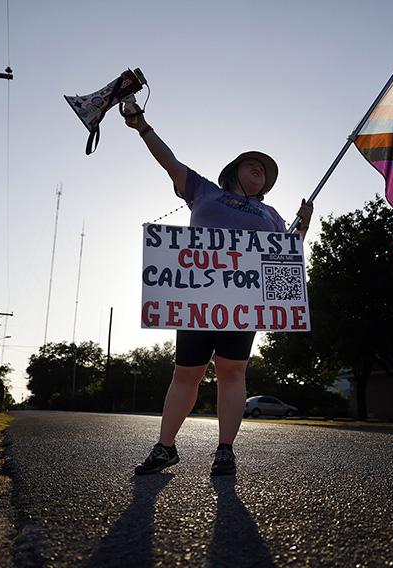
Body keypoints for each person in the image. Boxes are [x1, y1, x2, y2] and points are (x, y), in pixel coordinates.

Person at [123, 103, 314, 476]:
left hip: (243, 304)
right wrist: (141, 126)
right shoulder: (203, 191)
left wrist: (302, 228)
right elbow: (169, 161)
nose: (259, 170)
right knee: (186, 374)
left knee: (233, 373)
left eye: (264, 171)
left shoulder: (271, 215)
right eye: (252, 164)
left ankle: (225, 450)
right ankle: (165, 447)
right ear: (234, 171)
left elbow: (284, 257)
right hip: (197, 298)